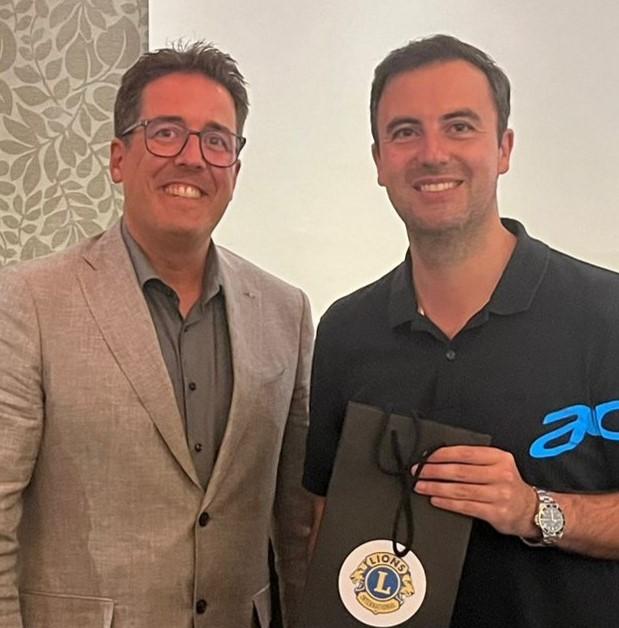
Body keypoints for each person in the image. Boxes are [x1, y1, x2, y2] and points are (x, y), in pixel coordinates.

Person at [303, 34, 619, 628]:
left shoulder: (607, 313)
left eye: (459, 126)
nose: (432, 153)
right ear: (379, 161)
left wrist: (534, 510)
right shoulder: (345, 332)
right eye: (405, 132)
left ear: (503, 148)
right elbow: (325, 527)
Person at [0, 41, 313, 628]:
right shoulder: (29, 302)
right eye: (166, 133)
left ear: (235, 169)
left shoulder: (285, 311)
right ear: (119, 158)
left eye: (216, 140)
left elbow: (296, 526)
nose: (193, 158)